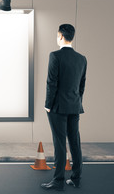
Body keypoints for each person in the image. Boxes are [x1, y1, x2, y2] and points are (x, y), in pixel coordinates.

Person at [41, 24, 87, 191]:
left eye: (57, 35)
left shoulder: (55, 56)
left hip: (58, 107)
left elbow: (51, 83)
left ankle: (58, 181)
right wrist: (77, 101)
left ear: (61, 36)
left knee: (59, 143)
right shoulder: (82, 58)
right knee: (75, 143)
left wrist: (48, 104)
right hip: (75, 106)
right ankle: (76, 178)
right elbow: (82, 85)